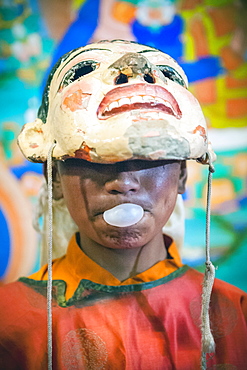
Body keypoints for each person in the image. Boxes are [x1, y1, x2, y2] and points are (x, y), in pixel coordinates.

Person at [0, 40, 247, 370]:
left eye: (149, 159)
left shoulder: (235, 312)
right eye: (95, 160)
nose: (124, 182)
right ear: (54, 179)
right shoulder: (9, 319)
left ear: (182, 176)